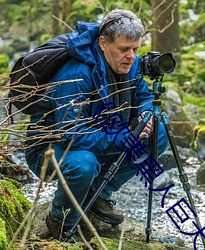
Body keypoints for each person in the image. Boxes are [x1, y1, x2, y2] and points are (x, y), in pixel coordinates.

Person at [25, 9, 169, 241]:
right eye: (124, 49)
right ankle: (60, 221)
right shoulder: (76, 74)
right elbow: (69, 134)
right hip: (50, 149)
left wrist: (145, 113)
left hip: (102, 135)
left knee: (159, 132)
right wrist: (121, 139)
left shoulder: (129, 64)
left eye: (135, 49)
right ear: (103, 43)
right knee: (84, 164)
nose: (131, 56)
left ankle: (99, 193)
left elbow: (143, 96)